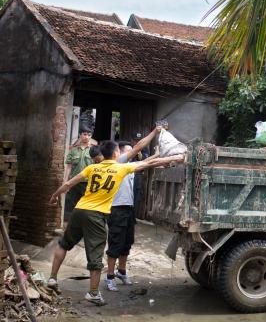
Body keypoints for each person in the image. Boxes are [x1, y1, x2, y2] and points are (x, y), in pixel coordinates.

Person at [47, 139, 184, 305]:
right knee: (96, 255)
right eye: (118, 151)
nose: (120, 152)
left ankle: (52, 278)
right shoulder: (121, 168)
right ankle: (93, 293)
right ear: (115, 154)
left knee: (64, 244)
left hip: (79, 209)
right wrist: (177, 158)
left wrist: (55, 195)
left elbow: (69, 183)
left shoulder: (92, 168)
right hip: (95, 215)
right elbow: (151, 163)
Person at [105, 129, 162, 291]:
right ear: (119, 154)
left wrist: (158, 155)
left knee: (127, 242)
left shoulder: (128, 167)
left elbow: (147, 162)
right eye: (128, 152)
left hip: (128, 209)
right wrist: (154, 132)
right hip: (116, 210)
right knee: (115, 243)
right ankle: (109, 277)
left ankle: (121, 272)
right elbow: (138, 148)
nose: (133, 154)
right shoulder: (118, 164)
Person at [63, 127, 94, 227]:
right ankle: (74, 226)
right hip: (74, 183)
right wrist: (65, 182)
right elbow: (68, 167)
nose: (86, 137)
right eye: (84, 134)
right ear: (80, 135)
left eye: (89, 135)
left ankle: (85, 226)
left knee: (87, 206)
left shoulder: (93, 150)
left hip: (88, 183)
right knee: (73, 206)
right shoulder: (73, 150)